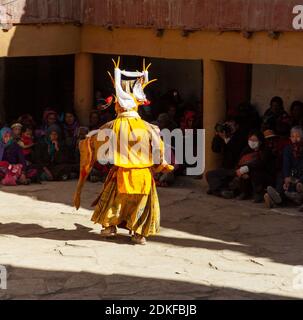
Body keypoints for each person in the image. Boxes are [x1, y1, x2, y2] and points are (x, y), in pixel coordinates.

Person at [74, 58, 174, 245]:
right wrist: (161, 166)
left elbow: (93, 142)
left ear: (118, 105)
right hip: (143, 174)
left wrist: (85, 145)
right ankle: (138, 233)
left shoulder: (112, 125)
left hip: (121, 173)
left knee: (115, 202)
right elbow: (160, 149)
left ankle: (110, 226)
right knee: (141, 204)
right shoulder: (149, 127)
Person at [264, 126, 303, 210]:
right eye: (293, 136)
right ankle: (277, 196)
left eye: (298, 136)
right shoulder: (287, 149)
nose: (295, 139)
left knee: (299, 185)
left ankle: (297, 198)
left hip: (300, 176)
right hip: (291, 175)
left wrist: (299, 181)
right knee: (280, 176)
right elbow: (286, 164)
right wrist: (286, 177)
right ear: (290, 138)